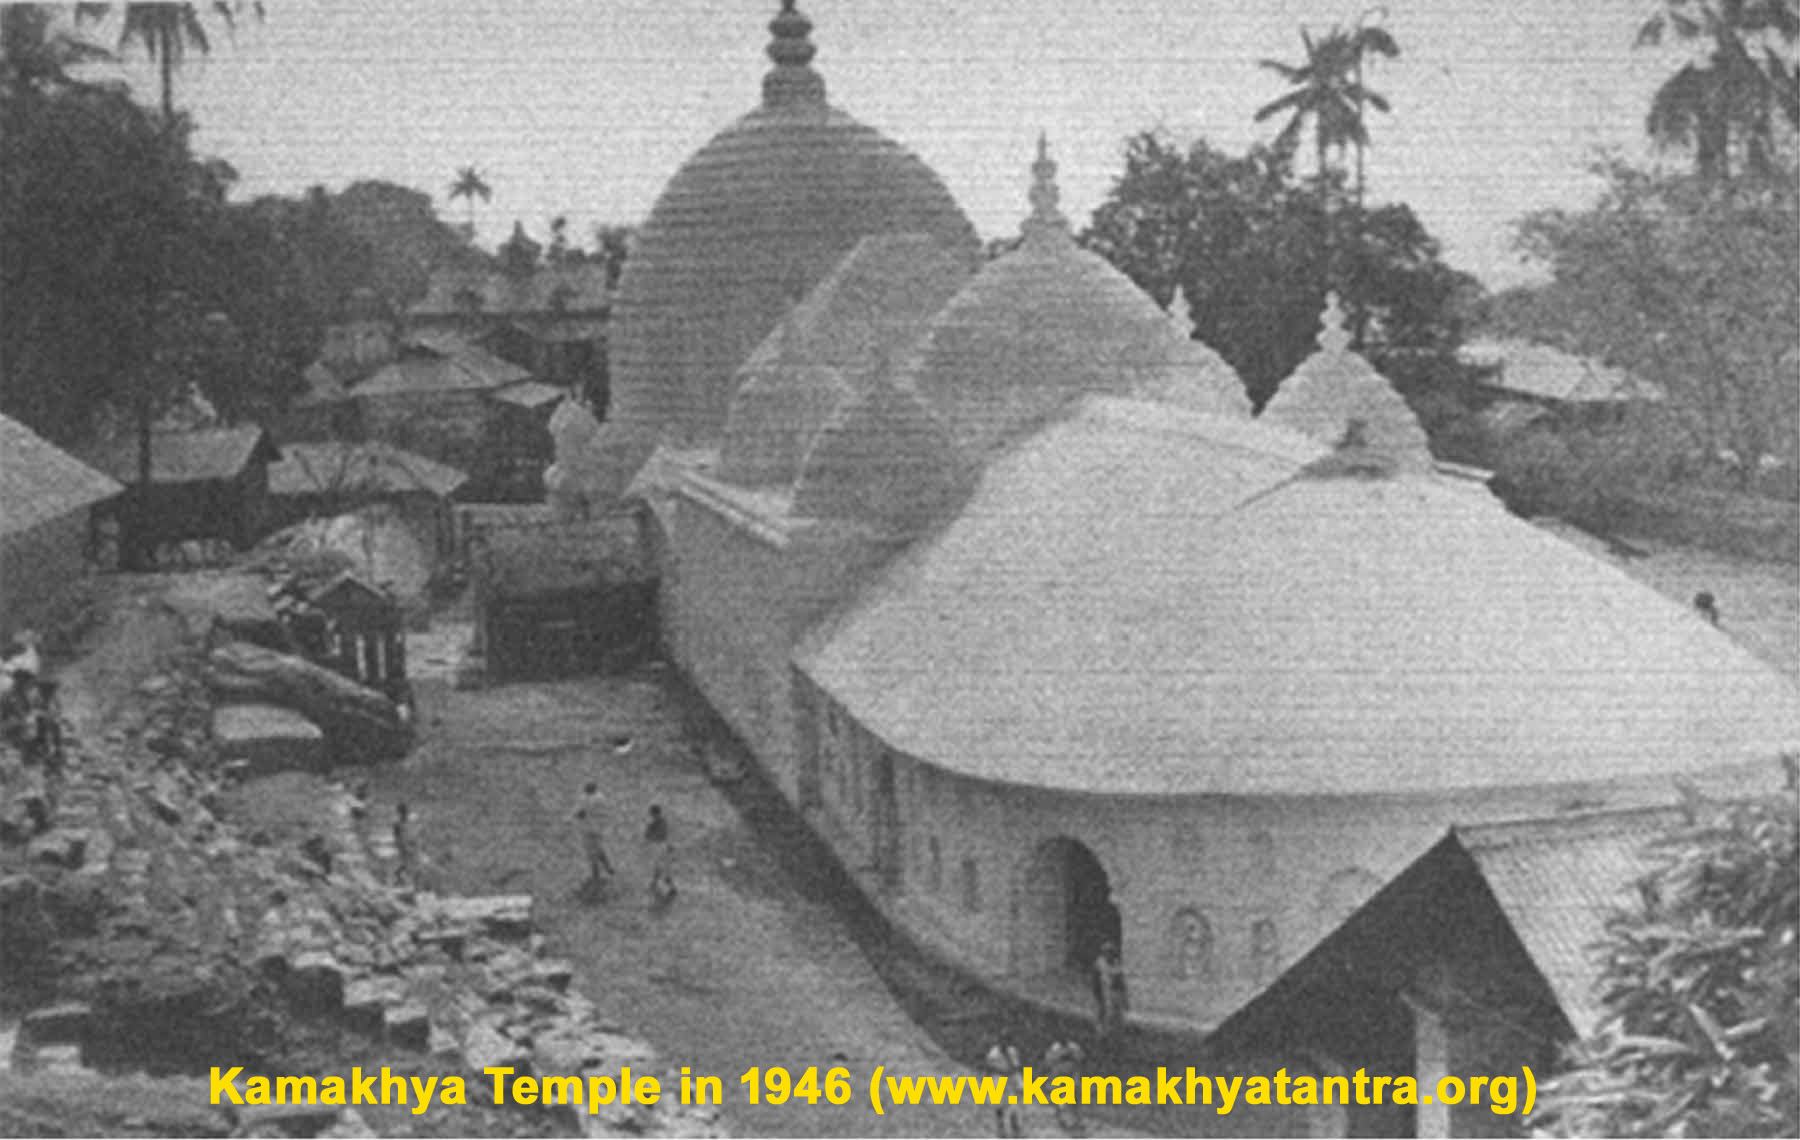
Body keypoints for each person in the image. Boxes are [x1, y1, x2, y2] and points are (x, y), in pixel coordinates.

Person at [573, 782, 614, 890]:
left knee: (591, 854)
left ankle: (596, 876)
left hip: (588, 829)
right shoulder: (601, 797)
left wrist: (573, 816)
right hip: (599, 829)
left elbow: (580, 813)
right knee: (599, 849)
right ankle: (608, 866)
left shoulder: (585, 799)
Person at [984, 1040, 1024, 1138]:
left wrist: (1018, 1080)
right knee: (999, 1106)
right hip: (999, 1080)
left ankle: (1016, 1130)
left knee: (1014, 1105)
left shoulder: (1012, 1051)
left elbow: (1016, 1066)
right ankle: (1001, 1130)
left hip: (1011, 1079)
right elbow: (990, 1067)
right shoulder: (993, 1054)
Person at [1044, 1040, 1085, 1132]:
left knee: (1075, 1098)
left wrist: (1071, 1056)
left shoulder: (1073, 1046)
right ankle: (1062, 1119)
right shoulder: (1054, 1047)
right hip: (1059, 1075)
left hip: (1072, 1074)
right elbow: (1048, 1061)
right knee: (1060, 1099)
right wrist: (1061, 1056)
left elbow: (1081, 1058)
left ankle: (1077, 1120)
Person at [1092, 940, 1127, 1035]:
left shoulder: (1116, 963)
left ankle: (1116, 1032)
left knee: (1116, 1015)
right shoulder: (1099, 964)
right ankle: (1102, 1033)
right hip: (1104, 992)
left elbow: (1121, 981)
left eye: (1111, 952)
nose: (1109, 955)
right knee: (1103, 1014)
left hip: (1115, 993)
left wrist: (1124, 997)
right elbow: (1095, 981)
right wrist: (1098, 996)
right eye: (1107, 952)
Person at [645, 804, 676, 905]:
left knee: (663, 867)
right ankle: (655, 882)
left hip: (660, 846)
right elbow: (648, 835)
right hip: (661, 846)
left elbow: (651, 835)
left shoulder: (657, 823)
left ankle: (671, 887)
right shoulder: (660, 822)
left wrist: (651, 833)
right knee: (659, 866)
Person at [391, 802, 416, 886]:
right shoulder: (397, 823)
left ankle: (399, 877)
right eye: (404, 811)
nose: (405, 813)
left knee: (407, 863)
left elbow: (409, 832)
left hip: (407, 843)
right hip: (403, 845)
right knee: (405, 863)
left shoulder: (406, 821)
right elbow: (397, 836)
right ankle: (398, 876)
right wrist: (402, 845)